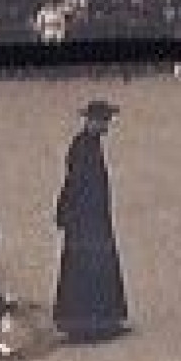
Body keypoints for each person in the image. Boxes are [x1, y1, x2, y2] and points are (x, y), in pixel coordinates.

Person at [52, 99, 130, 341]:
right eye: (104, 120)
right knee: (91, 268)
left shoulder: (88, 144)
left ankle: (94, 322)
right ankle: (93, 323)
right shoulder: (82, 147)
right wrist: (69, 212)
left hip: (91, 217)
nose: (107, 125)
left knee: (89, 268)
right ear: (93, 121)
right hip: (87, 218)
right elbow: (75, 184)